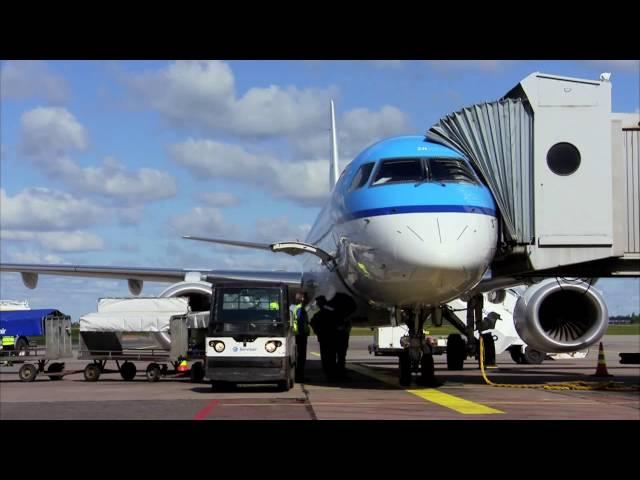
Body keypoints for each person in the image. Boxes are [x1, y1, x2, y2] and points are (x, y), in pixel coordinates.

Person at [310, 296, 337, 381]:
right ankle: (331, 374)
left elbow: (312, 322)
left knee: (327, 356)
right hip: (329, 337)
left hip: (325, 337)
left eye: (318, 303)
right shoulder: (330, 312)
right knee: (330, 356)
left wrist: (317, 331)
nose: (317, 304)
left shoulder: (320, 314)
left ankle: (329, 374)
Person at [292, 291, 310, 382]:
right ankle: (299, 376)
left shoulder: (297, 308)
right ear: (302, 298)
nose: (308, 299)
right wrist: (303, 332)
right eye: (306, 297)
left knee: (300, 356)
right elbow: (300, 322)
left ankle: (299, 375)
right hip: (301, 335)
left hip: (299, 334)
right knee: (301, 356)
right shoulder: (301, 309)